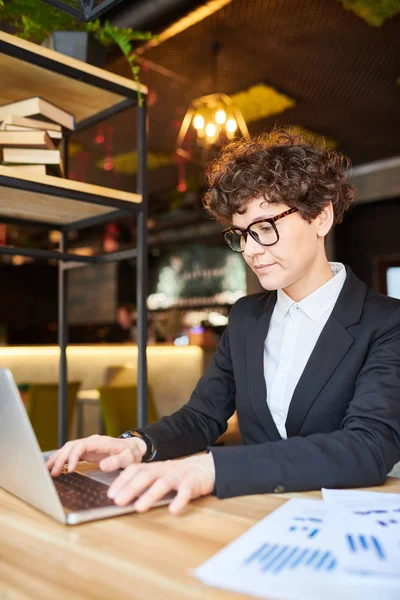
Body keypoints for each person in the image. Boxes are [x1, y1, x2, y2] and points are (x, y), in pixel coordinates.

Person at [47, 130, 400, 515]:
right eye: (242, 234)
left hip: (350, 524)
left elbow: (367, 446)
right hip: (255, 515)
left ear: (321, 216)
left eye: (265, 227)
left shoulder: (386, 323)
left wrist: (212, 468)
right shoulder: (247, 317)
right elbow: (203, 415)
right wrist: (138, 444)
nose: (250, 250)